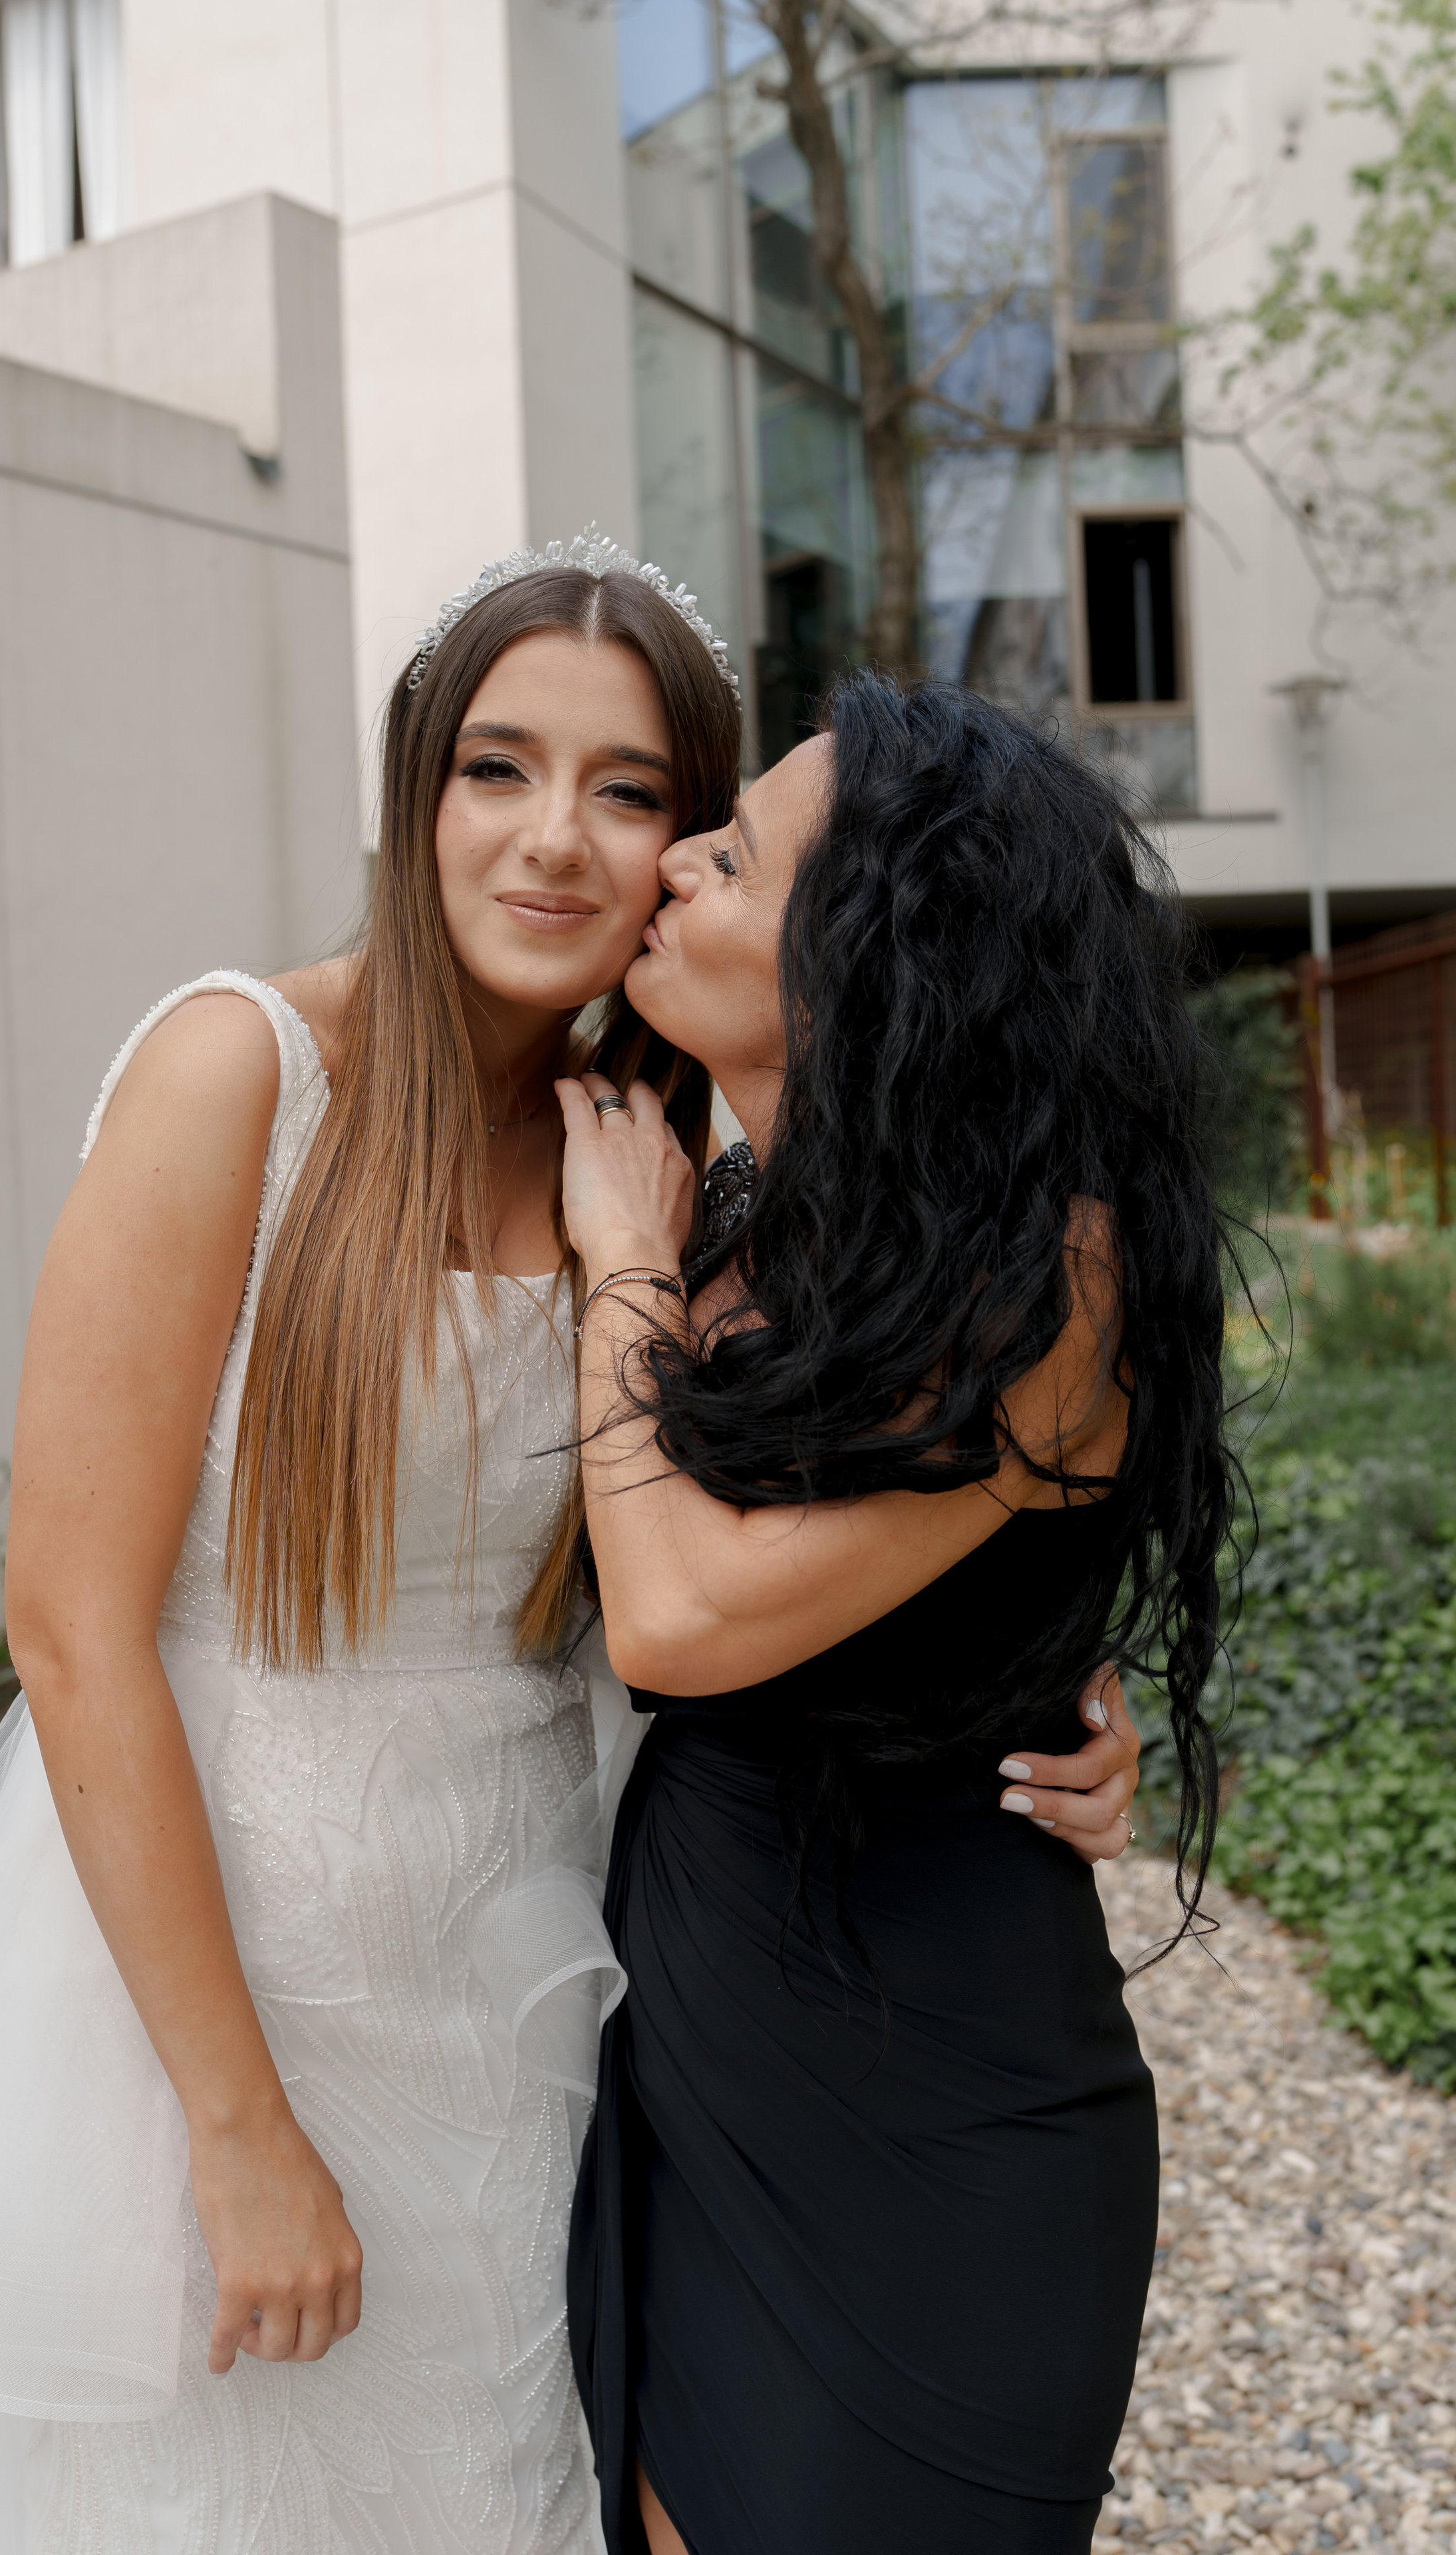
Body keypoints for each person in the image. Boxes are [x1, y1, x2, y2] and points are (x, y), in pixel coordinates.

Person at [0, 540, 1142, 2555]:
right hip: (218, 1973)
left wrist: (1044, 1691)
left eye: (636, 791)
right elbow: (65, 1624)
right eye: (499, 768)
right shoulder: (243, 1072)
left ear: (700, 846)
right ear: (419, 788)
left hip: (535, 1982)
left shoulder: (665, 1163)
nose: (557, 842)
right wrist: (232, 2132)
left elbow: (833, 1508)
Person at [558, 679, 1229, 2555]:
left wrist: (618, 1261)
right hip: (694, 2042)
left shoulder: (1053, 1272)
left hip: (939, 2096)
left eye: (735, 848)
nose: (677, 859)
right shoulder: (740, 1225)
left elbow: (679, 1619)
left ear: (878, 951)